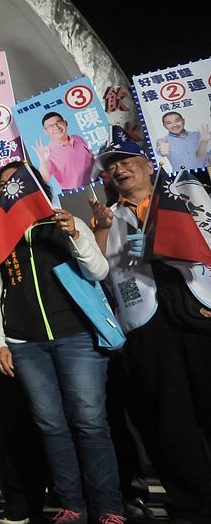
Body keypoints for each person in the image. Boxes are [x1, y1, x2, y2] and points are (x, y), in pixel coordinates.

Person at [0, 161, 124, 524]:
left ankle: (108, 507)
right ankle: (71, 505)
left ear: (36, 187)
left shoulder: (63, 221)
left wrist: (75, 233)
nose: (9, 189)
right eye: (3, 186)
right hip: (25, 344)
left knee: (90, 422)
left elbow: (99, 271)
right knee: (50, 425)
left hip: (75, 336)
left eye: (17, 183)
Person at [88, 132, 211, 524]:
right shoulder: (109, 216)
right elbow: (102, 274)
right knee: (169, 419)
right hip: (146, 323)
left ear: (146, 162)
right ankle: (192, 504)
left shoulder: (188, 194)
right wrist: (99, 233)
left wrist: (166, 243)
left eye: (125, 160)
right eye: (111, 166)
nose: (119, 169)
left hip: (198, 307)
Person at [33, 113, 95, 191]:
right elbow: (45, 180)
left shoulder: (77, 138)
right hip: (75, 192)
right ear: (46, 131)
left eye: (58, 122)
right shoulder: (48, 153)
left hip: (97, 182)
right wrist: (43, 161)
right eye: (50, 126)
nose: (56, 127)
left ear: (65, 123)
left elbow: (90, 158)